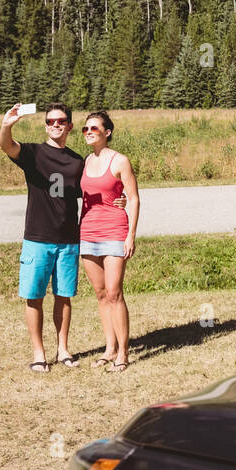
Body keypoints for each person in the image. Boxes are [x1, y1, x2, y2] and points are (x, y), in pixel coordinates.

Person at [0, 102, 85, 373]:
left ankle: (63, 349)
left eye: (60, 121)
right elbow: (7, 146)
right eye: (50, 121)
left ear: (69, 125)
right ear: (45, 125)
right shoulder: (33, 153)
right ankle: (39, 353)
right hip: (37, 238)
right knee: (34, 297)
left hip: (68, 239)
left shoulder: (77, 161)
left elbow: (92, 192)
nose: (55, 125)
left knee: (64, 296)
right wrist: (6, 125)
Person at [78, 110, 140, 373]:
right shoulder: (85, 161)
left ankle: (123, 354)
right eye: (85, 129)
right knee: (101, 294)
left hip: (115, 231)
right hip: (88, 234)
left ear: (107, 132)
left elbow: (134, 198)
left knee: (115, 293)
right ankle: (109, 348)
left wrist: (131, 235)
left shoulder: (120, 160)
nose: (89, 132)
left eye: (94, 128)